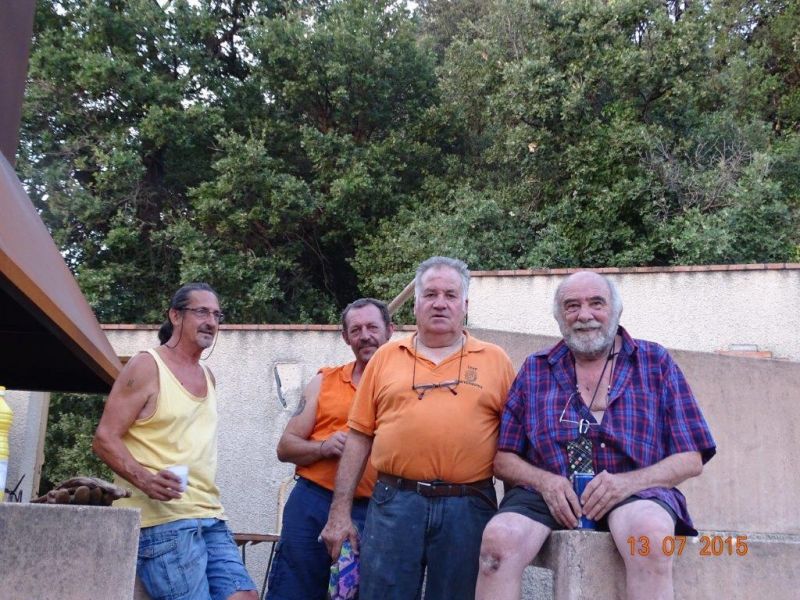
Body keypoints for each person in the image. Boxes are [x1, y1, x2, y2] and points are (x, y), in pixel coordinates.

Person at [475, 271, 716, 600]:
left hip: (636, 491)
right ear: (559, 317)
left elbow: (691, 458)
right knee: (497, 544)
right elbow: (504, 460)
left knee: (651, 537)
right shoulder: (535, 369)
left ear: (616, 311)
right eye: (572, 306)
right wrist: (545, 482)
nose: (584, 315)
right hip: (550, 493)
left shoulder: (654, 362)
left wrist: (627, 484)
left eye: (596, 303)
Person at [321, 256, 515, 600]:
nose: (440, 303)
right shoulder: (385, 357)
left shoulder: (496, 360)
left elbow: (513, 444)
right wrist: (339, 513)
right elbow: (359, 437)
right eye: (430, 294)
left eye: (450, 295)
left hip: (469, 507)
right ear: (415, 304)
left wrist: (512, 515)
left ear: (465, 305)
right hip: (394, 504)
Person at [93, 282, 258, 600]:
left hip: (210, 514)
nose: (211, 321)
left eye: (216, 315)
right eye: (201, 312)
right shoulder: (147, 365)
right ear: (175, 316)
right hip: (161, 521)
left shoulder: (208, 376)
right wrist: (146, 480)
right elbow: (104, 439)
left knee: (245, 597)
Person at [266, 298, 394, 600]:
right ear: (346, 337)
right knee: (292, 591)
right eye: (356, 330)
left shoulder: (405, 387)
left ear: (390, 330)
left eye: (372, 327)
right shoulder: (325, 381)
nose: (365, 336)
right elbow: (285, 447)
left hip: (375, 508)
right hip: (313, 502)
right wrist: (324, 447)